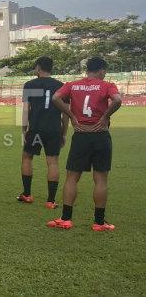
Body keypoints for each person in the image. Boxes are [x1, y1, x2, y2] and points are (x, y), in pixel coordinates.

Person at [48, 57, 121, 231]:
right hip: (100, 135)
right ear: (102, 70)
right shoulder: (107, 85)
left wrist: (72, 116)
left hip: (80, 135)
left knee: (72, 177)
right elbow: (117, 100)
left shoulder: (73, 85)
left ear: (87, 69)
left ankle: (66, 219)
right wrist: (105, 117)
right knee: (101, 179)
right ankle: (99, 222)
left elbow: (56, 97)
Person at [20, 56, 68, 207]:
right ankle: (51, 201)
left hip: (35, 128)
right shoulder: (61, 86)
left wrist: (24, 129)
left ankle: (27, 194)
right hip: (54, 128)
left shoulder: (30, 84)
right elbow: (66, 113)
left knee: (27, 158)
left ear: (38, 68)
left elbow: (25, 110)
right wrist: (64, 132)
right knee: (52, 162)